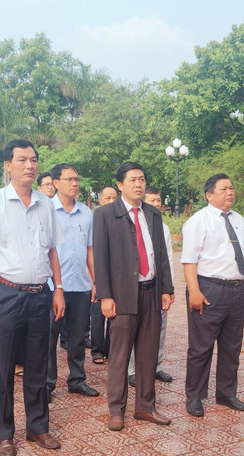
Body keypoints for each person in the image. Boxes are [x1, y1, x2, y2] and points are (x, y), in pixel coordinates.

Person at [0, 139, 65, 456]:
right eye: (22, 159)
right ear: (7, 165)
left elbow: (52, 249)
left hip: (41, 295)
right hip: (7, 294)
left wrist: (59, 290)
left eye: (34, 160)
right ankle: (4, 433)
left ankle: (38, 427)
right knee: (2, 367)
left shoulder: (45, 204)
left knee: (39, 364)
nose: (30, 165)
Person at [93, 163, 174, 431]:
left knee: (148, 353)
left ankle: (145, 407)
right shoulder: (105, 214)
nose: (138, 184)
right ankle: (116, 409)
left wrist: (167, 288)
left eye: (142, 179)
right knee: (119, 355)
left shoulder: (153, 213)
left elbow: (159, 254)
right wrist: (105, 295)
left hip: (151, 291)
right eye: (132, 180)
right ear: (120, 185)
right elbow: (101, 259)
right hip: (122, 295)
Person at [181, 174, 244, 417]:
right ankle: (194, 396)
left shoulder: (240, 221)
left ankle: (226, 393)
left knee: (232, 345)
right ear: (209, 194)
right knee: (201, 347)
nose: (229, 192)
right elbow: (189, 260)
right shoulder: (198, 221)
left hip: (236, 290)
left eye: (231, 188)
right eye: (223, 189)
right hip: (208, 288)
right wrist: (194, 291)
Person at [45, 163, 98, 401]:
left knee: (77, 337)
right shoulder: (45, 210)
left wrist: (95, 281)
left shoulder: (86, 213)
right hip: (52, 286)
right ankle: (47, 383)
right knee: (49, 337)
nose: (75, 183)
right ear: (56, 183)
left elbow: (90, 250)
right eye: (69, 179)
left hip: (81, 285)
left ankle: (77, 379)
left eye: (77, 179)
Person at [128, 186, 174, 386]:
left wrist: (168, 287)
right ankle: (131, 370)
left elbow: (167, 259)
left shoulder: (162, 226)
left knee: (159, 328)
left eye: (158, 200)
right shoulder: (131, 222)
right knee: (133, 330)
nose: (157, 204)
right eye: (153, 200)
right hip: (135, 286)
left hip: (158, 285)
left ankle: (156, 366)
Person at [89, 185, 118, 365]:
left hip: (117, 274)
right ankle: (97, 350)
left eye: (114, 198)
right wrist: (94, 279)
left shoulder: (122, 218)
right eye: (107, 198)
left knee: (114, 314)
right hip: (98, 273)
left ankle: (111, 348)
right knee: (97, 313)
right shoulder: (96, 219)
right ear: (100, 201)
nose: (111, 201)